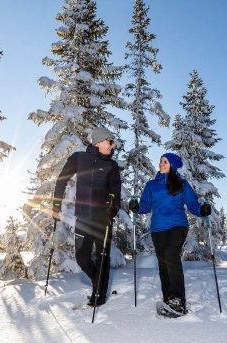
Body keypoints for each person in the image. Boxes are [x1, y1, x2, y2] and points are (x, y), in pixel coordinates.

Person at [128, 153, 211, 315]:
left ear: (172, 165)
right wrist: (136, 207)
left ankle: (179, 300)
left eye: (165, 162)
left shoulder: (182, 184)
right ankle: (169, 298)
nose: (161, 164)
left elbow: (193, 204)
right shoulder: (151, 185)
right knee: (163, 263)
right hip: (158, 229)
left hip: (178, 225)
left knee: (171, 255)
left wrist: (202, 210)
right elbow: (145, 206)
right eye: (160, 161)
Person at [52, 127, 121, 306]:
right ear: (99, 142)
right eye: (110, 142)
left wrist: (113, 207)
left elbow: (115, 191)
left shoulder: (111, 166)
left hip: (102, 218)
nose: (112, 146)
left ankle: (98, 295)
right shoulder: (79, 158)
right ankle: (96, 279)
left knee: (103, 256)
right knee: (82, 257)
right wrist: (56, 205)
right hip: (83, 217)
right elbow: (62, 180)